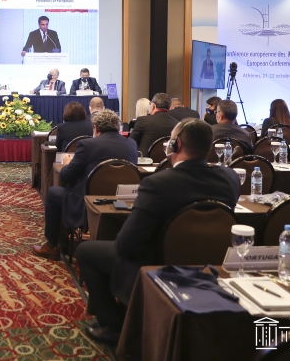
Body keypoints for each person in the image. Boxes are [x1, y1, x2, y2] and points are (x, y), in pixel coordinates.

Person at [76, 118, 240, 343]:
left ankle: (113, 325)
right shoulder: (230, 178)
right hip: (211, 263)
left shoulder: (157, 184)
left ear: (176, 144)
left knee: (86, 251)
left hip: (158, 263)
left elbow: (125, 246)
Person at [32, 109, 137, 261]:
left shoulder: (88, 145)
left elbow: (66, 176)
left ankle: (52, 246)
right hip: (122, 200)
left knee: (54, 193)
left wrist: (67, 164)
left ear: (95, 128)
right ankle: (63, 240)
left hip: (88, 200)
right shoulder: (131, 144)